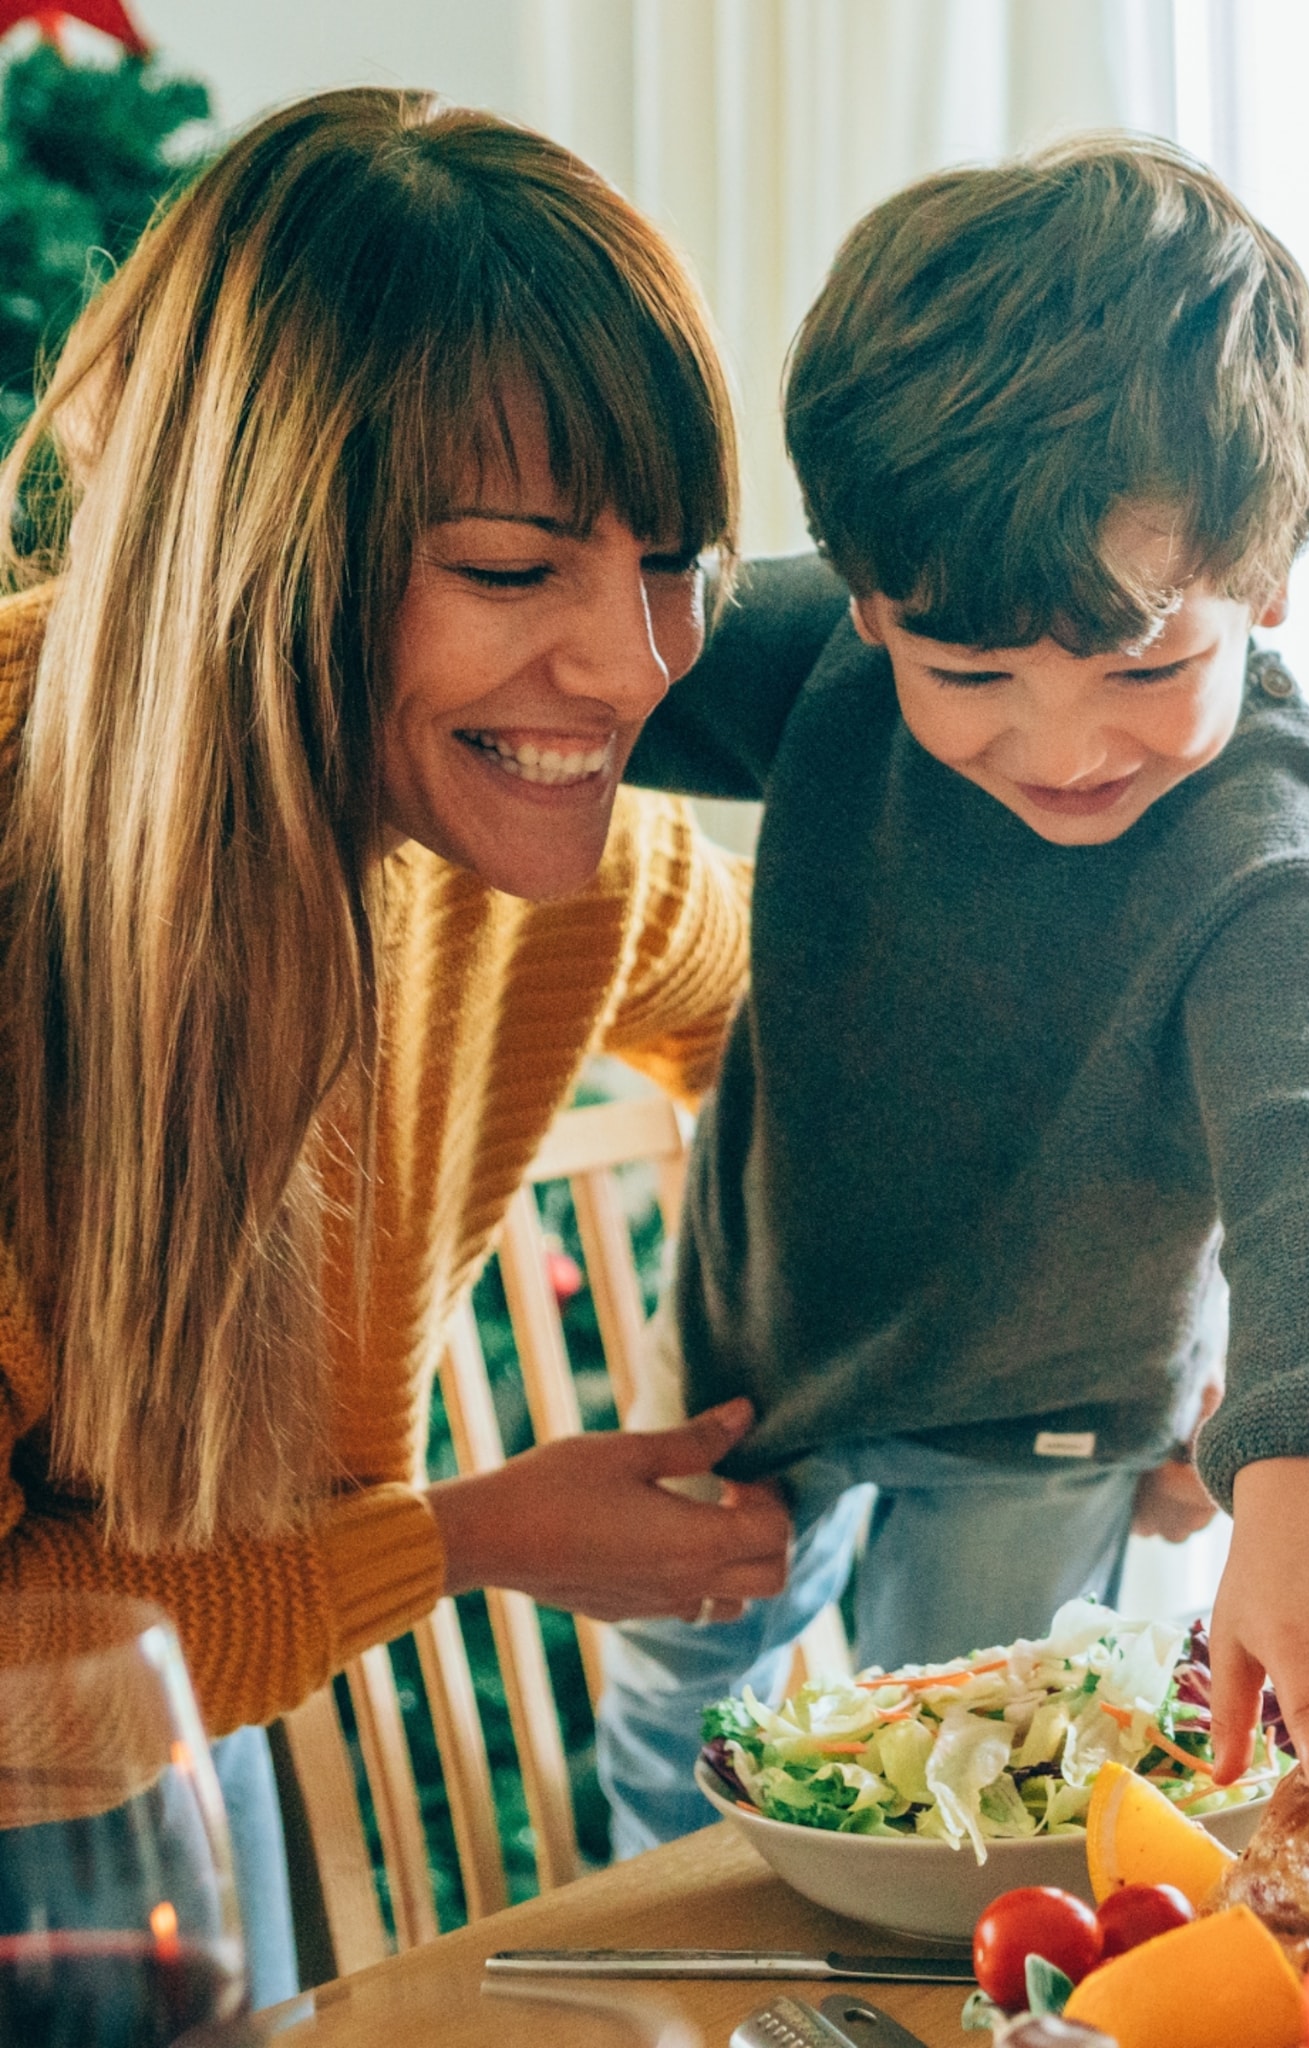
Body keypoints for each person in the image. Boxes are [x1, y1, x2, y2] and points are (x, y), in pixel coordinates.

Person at [0, 89, 792, 1990]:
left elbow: (820, 1029)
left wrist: (1120, 1343)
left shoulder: (547, 855)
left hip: (170, 1748)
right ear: (263, 550)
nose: (632, 666)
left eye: (670, 560)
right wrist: (450, 1544)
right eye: (516, 571)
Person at [600, 135, 1309, 1853]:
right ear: (864, 599)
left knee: (973, 1800)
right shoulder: (836, 667)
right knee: (668, 1762)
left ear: (1265, 581)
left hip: (1043, 1414)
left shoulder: (1258, 855)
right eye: (969, 674)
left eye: (1145, 668)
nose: (1063, 749)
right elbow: (591, 667)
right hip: (757, 1367)